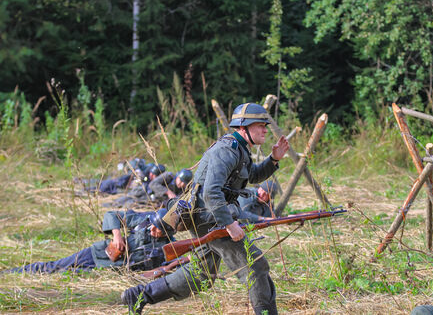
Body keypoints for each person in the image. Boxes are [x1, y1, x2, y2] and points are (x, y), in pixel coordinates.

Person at [121, 102, 289, 315]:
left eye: (265, 125)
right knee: (255, 266)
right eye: (259, 125)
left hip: (208, 217)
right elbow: (211, 192)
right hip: (212, 219)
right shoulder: (228, 150)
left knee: (201, 275)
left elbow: (252, 175)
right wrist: (229, 224)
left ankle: (141, 295)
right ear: (243, 127)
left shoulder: (240, 150)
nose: (265, 129)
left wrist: (273, 159)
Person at [5, 209, 175, 274]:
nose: (151, 229)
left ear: (167, 232)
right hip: (99, 255)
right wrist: (117, 235)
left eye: (157, 229)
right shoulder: (143, 220)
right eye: (152, 225)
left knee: (67, 275)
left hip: (112, 273)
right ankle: (12, 273)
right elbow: (111, 215)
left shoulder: (171, 247)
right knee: (55, 267)